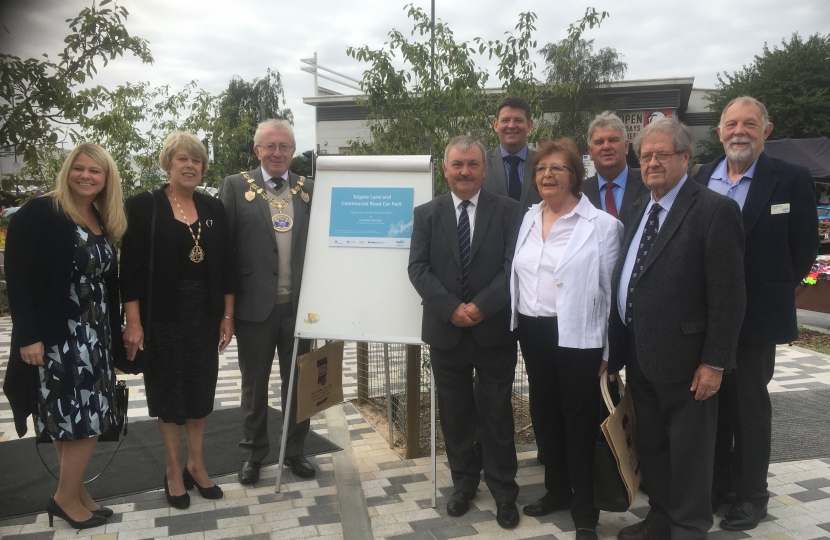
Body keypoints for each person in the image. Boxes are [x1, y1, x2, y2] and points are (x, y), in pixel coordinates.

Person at [608, 118, 746, 540]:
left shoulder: (714, 211)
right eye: (645, 156)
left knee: (690, 453)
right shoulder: (638, 211)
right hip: (641, 357)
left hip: (689, 364)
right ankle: (662, 517)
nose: (652, 163)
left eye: (662, 155)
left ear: (686, 158)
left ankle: (689, 527)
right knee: (653, 445)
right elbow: (629, 280)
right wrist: (615, 355)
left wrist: (714, 363)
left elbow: (729, 297)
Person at [694, 96, 818, 531]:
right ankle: (718, 484)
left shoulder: (791, 179)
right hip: (704, 316)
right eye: (731, 124)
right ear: (720, 131)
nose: (739, 131)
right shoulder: (701, 176)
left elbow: (803, 250)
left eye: (749, 123)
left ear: (766, 130)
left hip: (756, 317)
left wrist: (776, 289)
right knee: (712, 405)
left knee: (748, 406)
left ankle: (751, 496)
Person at [3, 143, 127, 529]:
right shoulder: (42, 212)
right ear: (68, 171)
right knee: (82, 419)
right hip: (62, 338)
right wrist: (28, 336)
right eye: (80, 168)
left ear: (107, 179)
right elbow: (18, 278)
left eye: (96, 171)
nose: (87, 176)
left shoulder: (97, 216)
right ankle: (62, 499)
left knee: (74, 418)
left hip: (95, 336)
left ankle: (76, 493)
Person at [509, 138, 623, 539]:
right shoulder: (527, 217)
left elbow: (612, 293)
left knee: (580, 422)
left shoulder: (603, 226)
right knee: (545, 413)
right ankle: (557, 490)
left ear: (576, 175)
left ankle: (585, 512)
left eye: (557, 168)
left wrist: (611, 349)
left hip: (578, 335)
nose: (547, 175)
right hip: (533, 330)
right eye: (541, 168)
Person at [409, 135, 523, 529]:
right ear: (445, 170)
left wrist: (481, 306)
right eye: (457, 165)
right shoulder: (426, 214)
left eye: (472, 164)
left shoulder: (510, 211)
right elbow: (418, 268)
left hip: (493, 334)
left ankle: (505, 492)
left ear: (484, 168)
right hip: (446, 333)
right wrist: (451, 308)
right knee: (455, 416)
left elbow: (513, 267)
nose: (465, 172)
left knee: (497, 415)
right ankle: (463, 485)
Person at [121, 131, 235, 509]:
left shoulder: (213, 208)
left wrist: (227, 315)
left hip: (205, 317)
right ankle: (173, 470)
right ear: (167, 164)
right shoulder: (144, 206)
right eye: (182, 159)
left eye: (197, 160)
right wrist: (133, 323)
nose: (190, 166)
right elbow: (131, 271)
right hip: (162, 318)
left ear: (203, 167)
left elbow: (226, 267)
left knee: (200, 395)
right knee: (170, 396)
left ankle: (197, 464)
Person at [219, 119, 316, 484]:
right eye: (270, 146)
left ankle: (295, 451)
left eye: (285, 146)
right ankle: (253, 455)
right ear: (257, 150)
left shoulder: (309, 189)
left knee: (300, 382)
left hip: (301, 308)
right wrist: (225, 311)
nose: (277, 153)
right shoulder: (234, 186)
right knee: (254, 384)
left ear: (293, 151)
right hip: (254, 307)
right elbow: (224, 251)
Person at [582, 112, 650, 217]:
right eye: (599, 142)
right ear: (590, 152)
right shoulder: (580, 192)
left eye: (613, 140)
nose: (606, 147)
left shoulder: (649, 185)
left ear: (626, 146)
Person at [483, 95, 543, 212]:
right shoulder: (481, 163)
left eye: (518, 120)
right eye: (505, 120)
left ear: (529, 125)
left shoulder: (542, 163)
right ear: (496, 125)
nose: (511, 125)